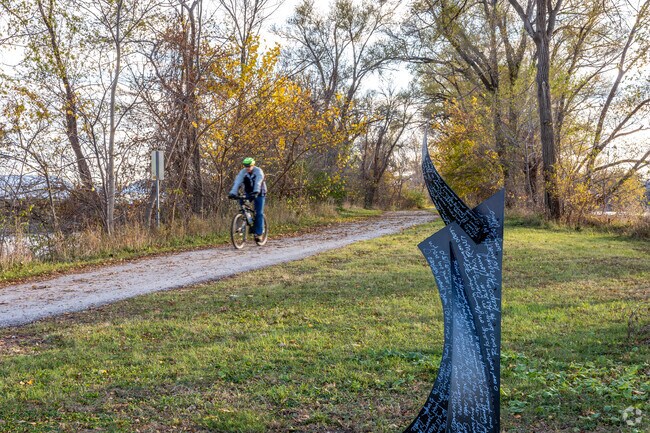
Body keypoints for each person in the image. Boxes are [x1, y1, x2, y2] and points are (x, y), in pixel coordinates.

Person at [228, 157, 267, 242]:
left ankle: (259, 234)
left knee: (258, 212)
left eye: (249, 166)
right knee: (242, 205)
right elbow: (237, 182)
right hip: (249, 192)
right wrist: (232, 193)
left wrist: (256, 191)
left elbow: (258, 182)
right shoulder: (243, 172)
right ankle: (239, 226)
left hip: (260, 193)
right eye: (246, 166)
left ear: (253, 165)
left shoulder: (258, 171)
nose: (247, 168)